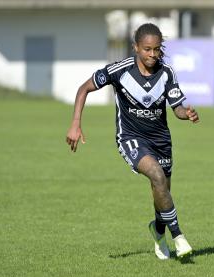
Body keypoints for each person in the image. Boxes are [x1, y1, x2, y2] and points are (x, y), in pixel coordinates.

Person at [65, 23, 199, 260]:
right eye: (147, 49)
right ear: (136, 47)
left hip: (161, 140)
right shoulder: (119, 70)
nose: (152, 54)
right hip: (130, 138)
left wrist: (186, 114)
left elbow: (177, 108)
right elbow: (83, 88)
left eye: (157, 49)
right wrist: (76, 123)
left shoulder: (166, 73)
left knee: (162, 192)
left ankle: (158, 231)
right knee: (156, 176)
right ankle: (178, 236)